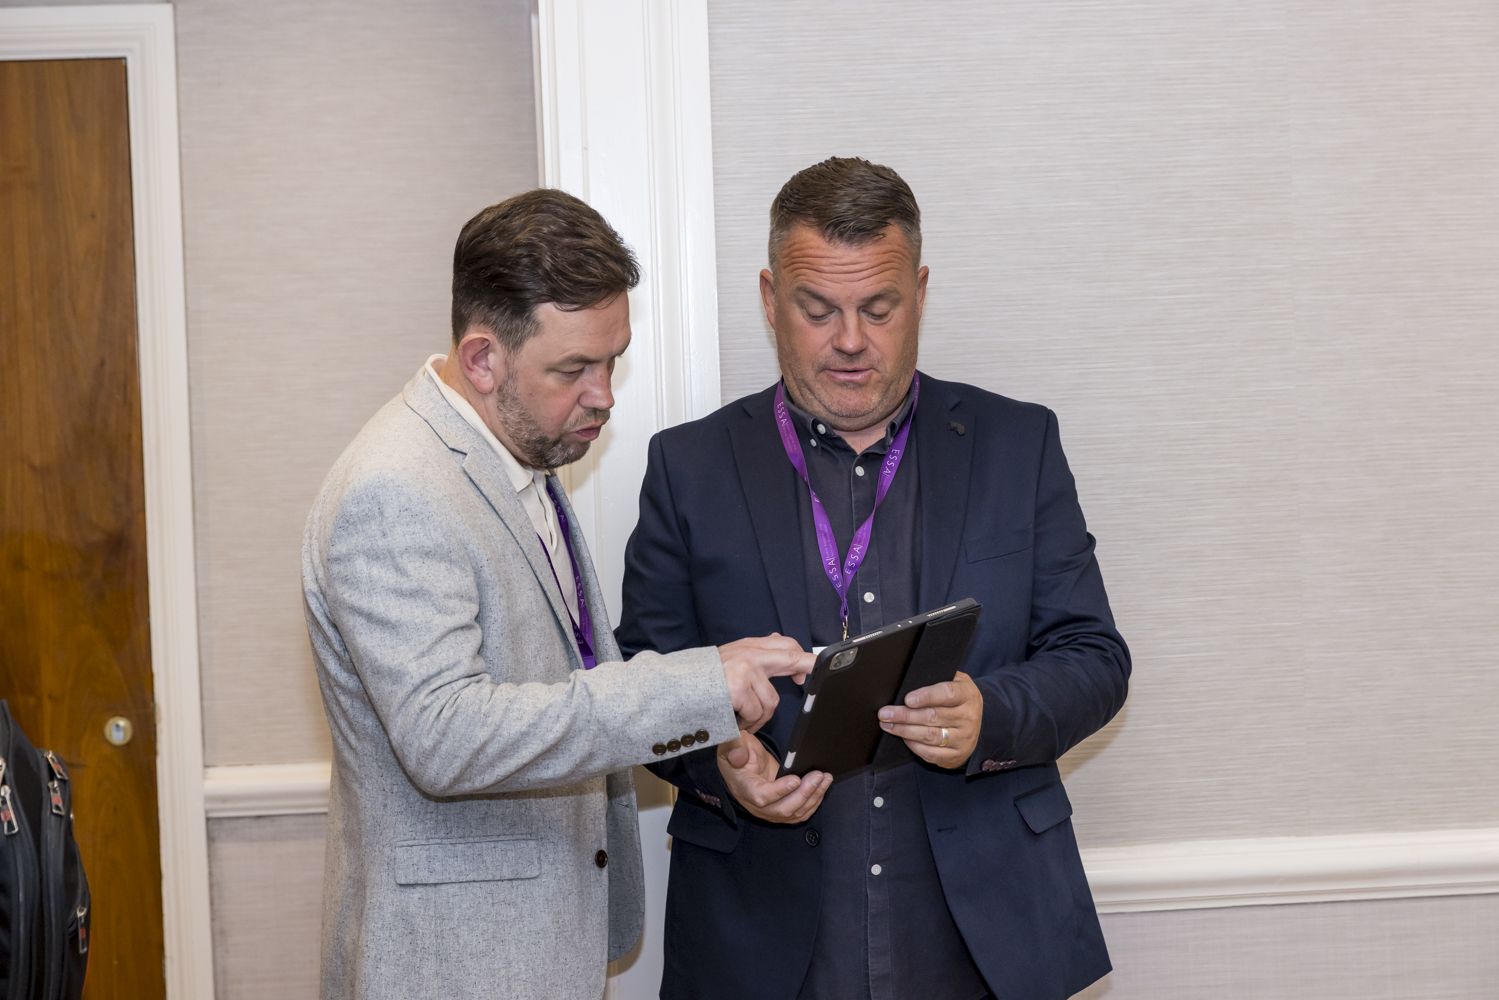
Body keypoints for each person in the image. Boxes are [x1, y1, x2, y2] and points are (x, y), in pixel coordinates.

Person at [617, 157, 1130, 1000]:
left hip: (986, 939)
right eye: (817, 309)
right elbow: (643, 682)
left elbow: (1094, 658)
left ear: (919, 293)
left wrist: (990, 714)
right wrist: (723, 765)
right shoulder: (689, 466)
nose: (850, 340)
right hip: (760, 942)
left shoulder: (1018, 444)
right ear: (769, 298)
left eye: (878, 308)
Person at [301, 189, 813, 1000]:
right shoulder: (395, 490)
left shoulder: (520, 450)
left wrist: (711, 715)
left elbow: (564, 677)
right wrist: (696, 685)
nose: (604, 393)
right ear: (482, 360)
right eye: (574, 368)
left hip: (536, 952)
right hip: (456, 969)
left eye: (613, 360)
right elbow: (446, 737)